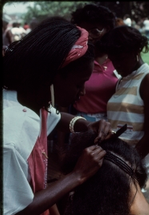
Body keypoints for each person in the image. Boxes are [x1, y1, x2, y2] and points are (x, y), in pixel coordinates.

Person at [3, 16, 113, 215]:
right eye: (79, 83)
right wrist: (78, 175)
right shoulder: (11, 138)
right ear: (51, 77)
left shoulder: (28, 98)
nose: (83, 92)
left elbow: (52, 117)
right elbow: (12, 214)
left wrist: (83, 124)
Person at [53, 4, 119, 160]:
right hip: (80, 124)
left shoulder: (120, 60)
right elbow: (62, 107)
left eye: (96, 30)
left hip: (113, 127)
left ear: (109, 29)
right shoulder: (76, 62)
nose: (89, 36)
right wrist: (61, 146)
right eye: (83, 30)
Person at [99, 25, 149, 184]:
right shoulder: (122, 80)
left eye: (121, 59)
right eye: (113, 60)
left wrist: (131, 163)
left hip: (134, 163)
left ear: (136, 51)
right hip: (116, 159)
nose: (117, 65)